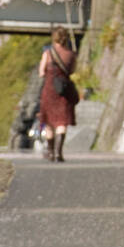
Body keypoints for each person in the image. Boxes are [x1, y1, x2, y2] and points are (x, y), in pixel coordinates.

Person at [38, 27, 78, 162]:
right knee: (62, 122)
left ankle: (50, 152)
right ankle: (58, 153)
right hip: (63, 90)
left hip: (49, 89)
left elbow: (41, 72)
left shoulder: (48, 53)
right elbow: (72, 71)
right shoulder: (71, 54)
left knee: (49, 122)